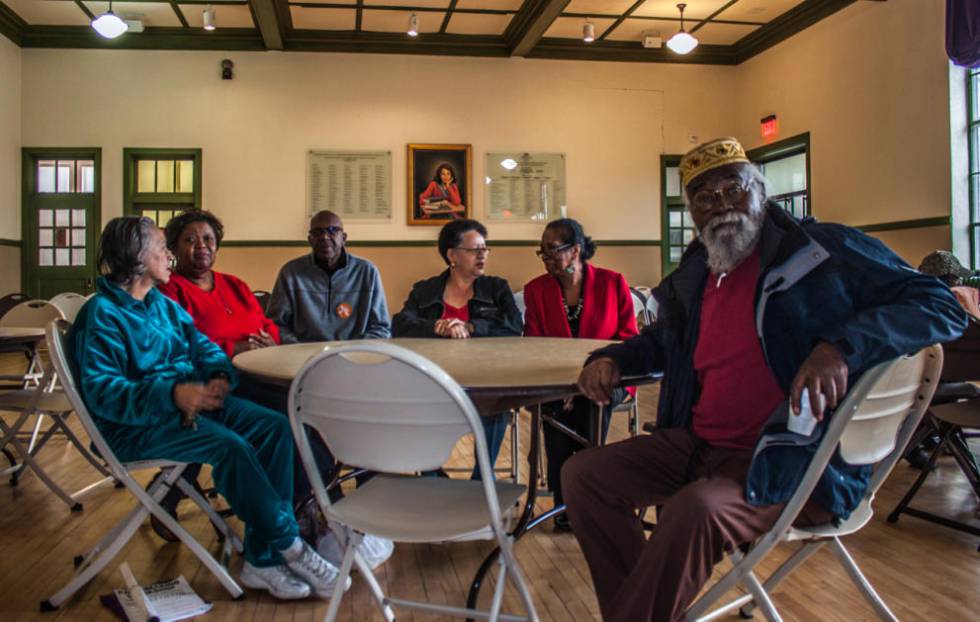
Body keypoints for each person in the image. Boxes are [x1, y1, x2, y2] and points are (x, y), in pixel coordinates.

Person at [564, 137, 967, 622]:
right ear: (692, 212)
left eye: (733, 189)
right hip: (701, 446)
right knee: (584, 475)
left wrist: (840, 347)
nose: (721, 206)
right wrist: (611, 359)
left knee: (697, 511)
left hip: (795, 461)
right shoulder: (698, 272)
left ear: (762, 191)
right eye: (704, 198)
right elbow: (664, 343)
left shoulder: (824, 250)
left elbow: (940, 304)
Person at [71, 216, 349, 601]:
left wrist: (218, 378)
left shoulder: (162, 307)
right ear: (136, 258)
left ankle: (260, 561)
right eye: (161, 248)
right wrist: (172, 395)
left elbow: (206, 350)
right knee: (230, 447)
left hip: (195, 404)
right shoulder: (101, 315)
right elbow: (105, 394)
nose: (169, 256)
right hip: (135, 425)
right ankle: (287, 547)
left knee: (276, 428)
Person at [157, 209, 339, 526]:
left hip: (260, 373)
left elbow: (266, 323)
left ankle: (317, 494)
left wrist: (271, 340)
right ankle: (313, 502)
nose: (201, 245)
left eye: (208, 239)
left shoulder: (235, 285)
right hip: (218, 383)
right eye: (190, 239)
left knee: (307, 407)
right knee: (290, 416)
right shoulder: (170, 292)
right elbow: (179, 346)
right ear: (173, 248)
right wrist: (233, 349)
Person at [522, 218, 638, 530]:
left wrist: (588, 380)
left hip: (610, 378)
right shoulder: (536, 290)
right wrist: (566, 386)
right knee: (555, 410)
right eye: (542, 251)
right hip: (554, 380)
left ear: (575, 251)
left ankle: (585, 502)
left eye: (551, 250)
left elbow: (628, 338)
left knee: (591, 404)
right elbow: (533, 343)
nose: (545, 256)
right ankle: (565, 508)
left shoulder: (613, 283)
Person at [392, 219, 521, 479]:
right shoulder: (425, 290)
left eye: (485, 249)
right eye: (475, 250)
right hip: (434, 382)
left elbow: (514, 325)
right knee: (414, 407)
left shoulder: (497, 288)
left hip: (484, 381)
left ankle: (481, 479)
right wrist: (436, 326)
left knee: (496, 404)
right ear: (452, 255)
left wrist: (471, 327)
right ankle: (434, 477)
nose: (482, 255)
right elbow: (400, 324)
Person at [268, 210, 390, 343]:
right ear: (310, 240)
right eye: (317, 232)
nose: (325, 237)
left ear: (343, 238)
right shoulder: (291, 273)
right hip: (303, 357)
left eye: (332, 230)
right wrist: (299, 350)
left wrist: (355, 352)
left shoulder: (367, 272)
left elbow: (381, 328)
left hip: (355, 357)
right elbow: (275, 325)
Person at [918, 250, 980, 319]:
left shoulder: (917, 296)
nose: (959, 281)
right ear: (949, 278)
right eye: (957, 277)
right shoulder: (945, 307)